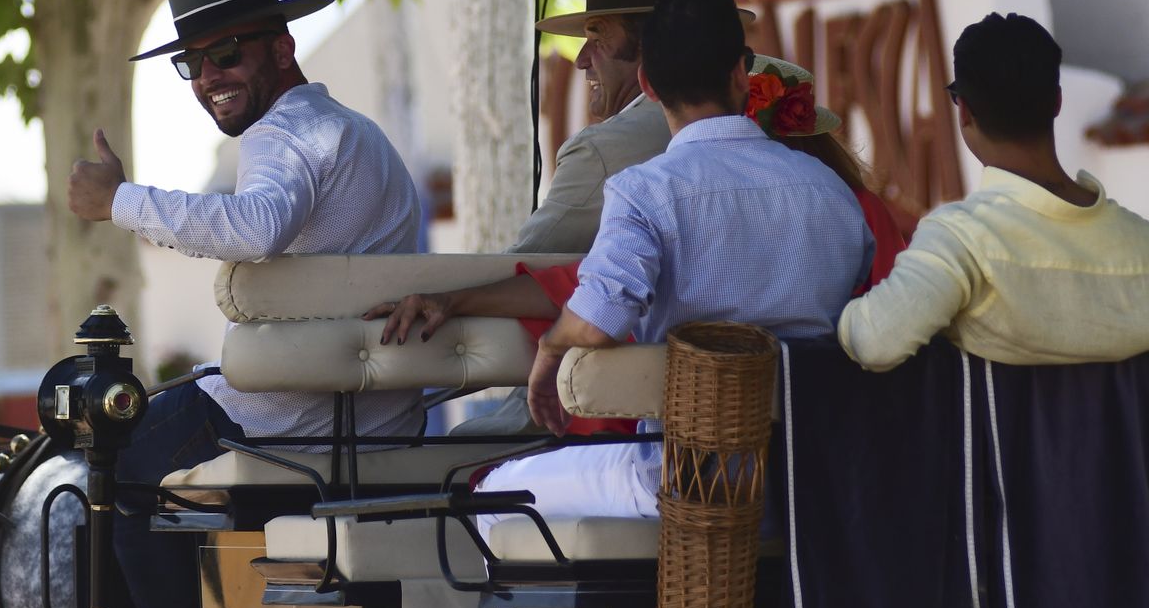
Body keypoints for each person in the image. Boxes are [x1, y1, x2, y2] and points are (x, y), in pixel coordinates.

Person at [66, 0, 422, 608]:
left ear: (283, 49)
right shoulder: (359, 134)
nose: (207, 78)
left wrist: (117, 199)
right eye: (191, 63)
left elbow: (256, 228)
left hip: (291, 418)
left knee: (113, 459)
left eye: (227, 54)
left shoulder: (284, 133)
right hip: (386, 417)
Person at [369, 54, 906, 437]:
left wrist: (543, 341)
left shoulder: (661, 189)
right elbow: (578, 286)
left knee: (495, 478)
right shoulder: (842, 202)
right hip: (824, 442)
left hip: (688, 454)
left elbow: (592, 299)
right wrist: (455, 299)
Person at [457, 0, 755, 434]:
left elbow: (521, 274)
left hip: (614, 418)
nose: (579, 59)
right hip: (766, 430)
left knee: (459, 454)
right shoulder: (786, 147)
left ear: (648, 51)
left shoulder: (609, 154)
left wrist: (436, 299)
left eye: (598, 35)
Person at [839, 13, 1149, 371]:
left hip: (1012, 430)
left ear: (965, 112)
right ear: (1057, 102)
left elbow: (872, 342)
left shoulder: (961, 240)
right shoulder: (1140, 243)